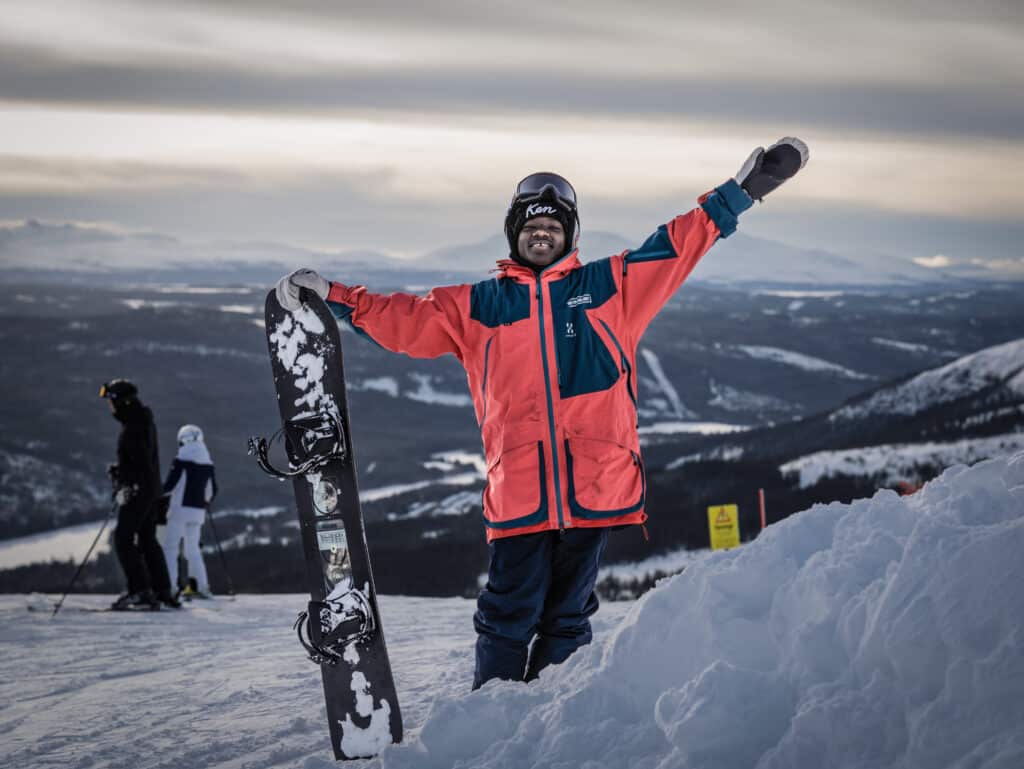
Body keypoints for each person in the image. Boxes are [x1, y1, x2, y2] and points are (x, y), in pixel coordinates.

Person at [274, 138, 809, 687]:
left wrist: (741, 193)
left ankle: (550, 718)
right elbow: (402, 318)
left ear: (569, 235)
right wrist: (332, 296)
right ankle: (492, 715)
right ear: (514, 233)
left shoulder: (610, 287)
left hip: (596, 485)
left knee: (568, 618)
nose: (542, 233)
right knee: (507, 614)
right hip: (520, 490)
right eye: (531, 226)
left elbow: (675, 246)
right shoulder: (479, 305)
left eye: (553, 226)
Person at [100, 379, 179, 610]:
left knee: (123, 538)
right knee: (147, 539)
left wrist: (126, 481)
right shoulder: (143, 421)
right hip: (150, 489)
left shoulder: (133, 426)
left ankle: (140, 591)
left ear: (122, 402)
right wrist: (122, 471)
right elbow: (143, 460)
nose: (109, 406)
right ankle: (161, 591)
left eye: (111, 401)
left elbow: (140, 462)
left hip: (139, 490)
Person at [160, 424, 218, 599]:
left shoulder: (181, 460)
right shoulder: (208, 463)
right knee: (192, 550)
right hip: (198, 512)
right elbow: (211, 491)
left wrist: (157, 493)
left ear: (182, 441)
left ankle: (170, 587)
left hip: (179, 511)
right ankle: (201, 587)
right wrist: (203, 501)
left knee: (170, 548)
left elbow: (169, 487)